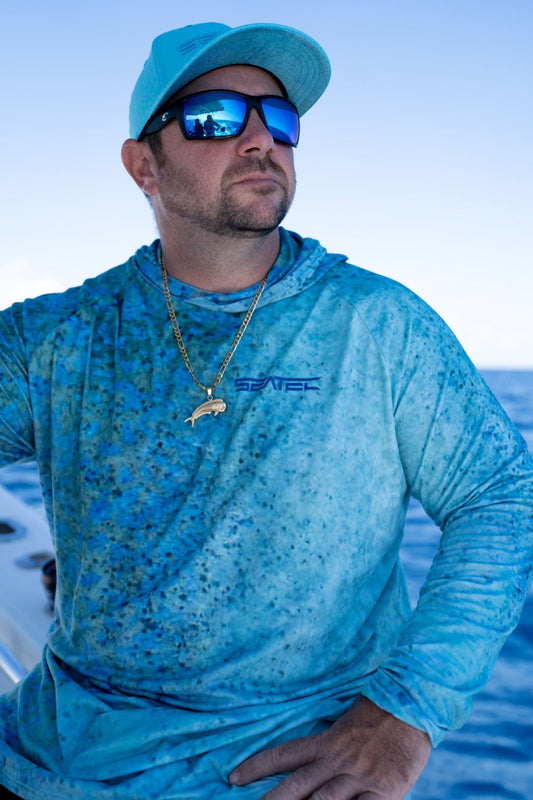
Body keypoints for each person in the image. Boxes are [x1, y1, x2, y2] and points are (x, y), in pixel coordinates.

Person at [0, 20, 531, 800]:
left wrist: (407, 713)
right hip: (59, 764)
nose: (260, 140)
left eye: (278, 119)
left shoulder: (377, 322)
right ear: (142, 164)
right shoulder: (53, 338)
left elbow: (497, 496)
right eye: (214, 117)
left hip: (295, 775)